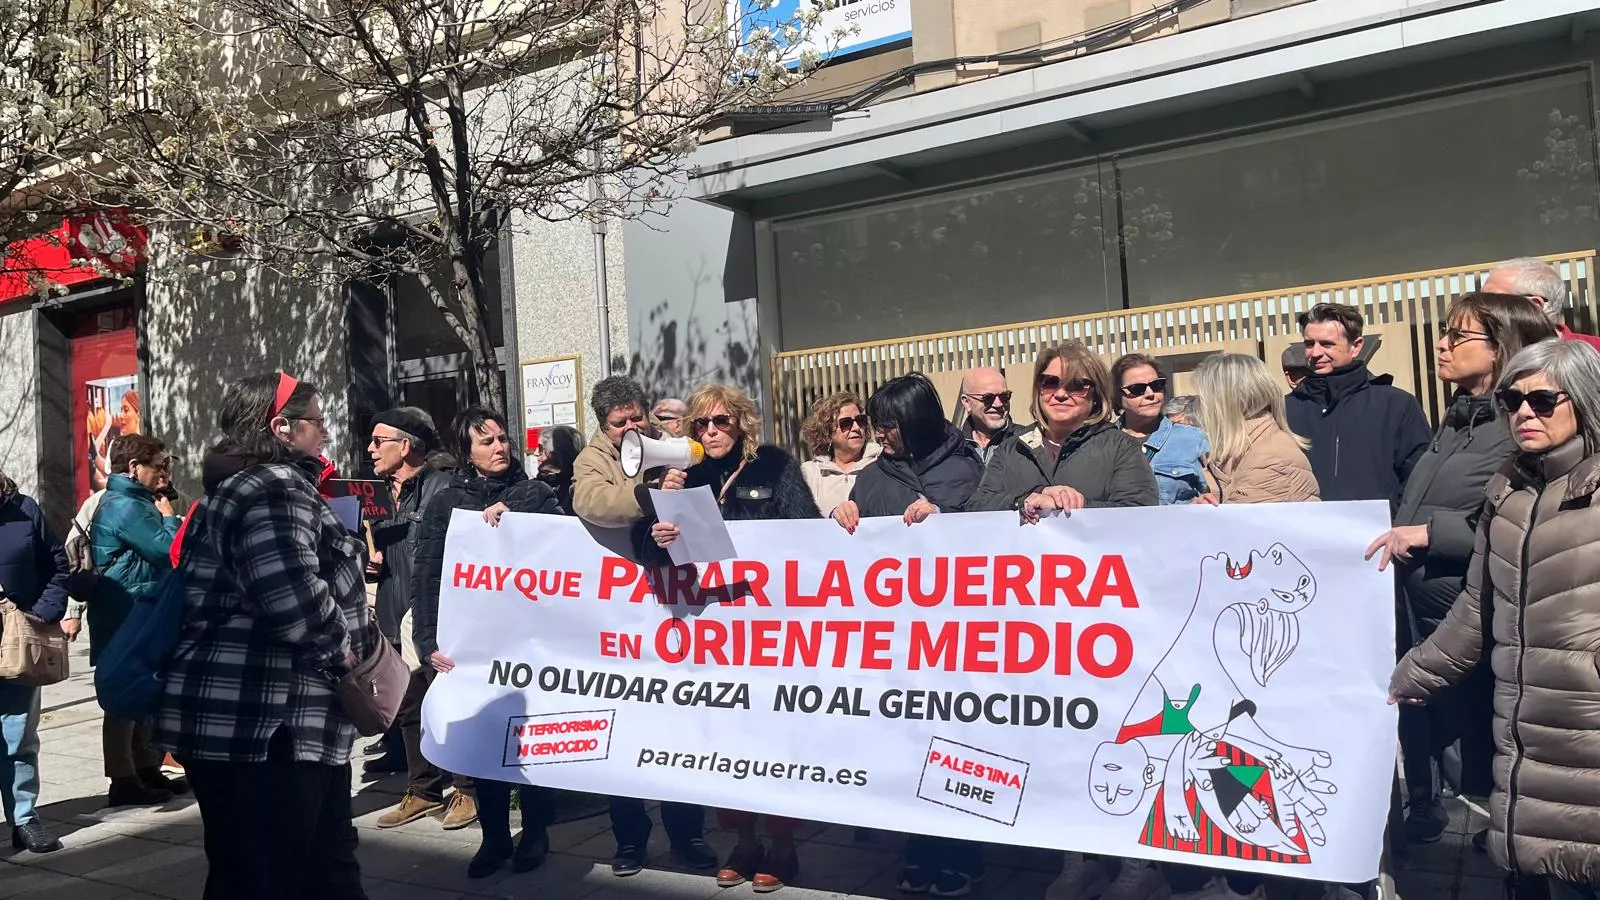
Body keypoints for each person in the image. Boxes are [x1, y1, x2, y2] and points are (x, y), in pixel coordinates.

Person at [151, 372, 377, 898]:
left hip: (267, 723)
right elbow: (292, 598)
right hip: (268, 725)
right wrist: (347, 660)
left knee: (312, 869)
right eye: (318, 422)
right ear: (282, 427)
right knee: (269, 877)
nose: (325, 433)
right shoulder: (272, 486)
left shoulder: (242, 486)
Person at [1391, 338, 1600, 900]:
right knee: (1542, 861)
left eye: (1543, 400)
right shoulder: (1508, 489)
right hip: (1525, 732)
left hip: (1588, 727)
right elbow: (1476, 608)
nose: (1524, 414)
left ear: (1583, 400)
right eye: (1512, 401)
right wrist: (1410, 675)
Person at [1364, 295, 1556, 845]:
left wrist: (1430, 534)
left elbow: (1532, 523)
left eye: (1457, 336)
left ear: (1502, 349)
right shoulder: (1456, 420)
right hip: (1429, 618)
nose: (1441, 346)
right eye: (1443, 334)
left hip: (1483, 626)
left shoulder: (1519, 428)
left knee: (1499, 755)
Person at [645, 384, 820, 892]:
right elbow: (650, 557)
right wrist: (659, 529)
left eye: (721, 421)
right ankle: (743, 839)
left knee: (774, 741)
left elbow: (806, 535)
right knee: (722, 741)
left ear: (740, 421)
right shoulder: (683, 476)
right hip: (710, 633)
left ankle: (783, 845)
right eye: (701, 425)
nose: (712, 432)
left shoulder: (774, 466)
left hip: (768, 633)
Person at [832, 373, 986, 896]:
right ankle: (918, 850)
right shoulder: (873, 478)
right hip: (900, 645)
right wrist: (843, 512)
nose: (880, 434)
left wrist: (949, 520)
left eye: (889, 424)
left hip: (960, 641)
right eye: (877, 425)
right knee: (911, 750)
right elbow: (855, 555)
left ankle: (962, 853)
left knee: (959, 747)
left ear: (916, 421)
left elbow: (994, 531)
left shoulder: (966, 465)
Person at [408, 406, 564, 879]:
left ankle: (535, 831)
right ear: (466, 452)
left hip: (528, 643)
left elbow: (562, 550)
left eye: (503, 439)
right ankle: (494, 837)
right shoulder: (445, 501)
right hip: (475, 647)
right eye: (487, 442)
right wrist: (427, 638)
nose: (499, 448)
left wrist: (515, 520)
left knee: (529, 742)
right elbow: (429, 571)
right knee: (484, 743)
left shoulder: (535, 493)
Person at [570, 376, 716, 877]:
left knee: (679, 724)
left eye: (637, 417)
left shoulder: (666, 440)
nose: (632, 428)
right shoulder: (592, 459)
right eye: (620, 424)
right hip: (627, 607)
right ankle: (630, 839)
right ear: (602, 424)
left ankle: (687, 832)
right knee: (626, 728)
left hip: (675, 593)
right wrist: (647, 493)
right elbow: (592, 502)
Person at [89, 433, 185, 807]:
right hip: (124, 610)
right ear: (133, 468)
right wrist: (171, 520)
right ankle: (123, 777)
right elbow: (165, 550)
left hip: (137, 607)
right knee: (122, 699)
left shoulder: (134, 501)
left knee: (145, 690)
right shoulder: (125, 506)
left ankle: (146, 767)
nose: (165, 473)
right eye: (159, 466)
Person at [363, 408, 453, 786]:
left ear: (405, 446)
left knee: (442, 703)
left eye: (378, 441)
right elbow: (371, 548)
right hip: (391, 613)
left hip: (430, 616)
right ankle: (422, 788)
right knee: (406, 706)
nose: (370, 449)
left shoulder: (441, 489)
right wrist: (367, 561)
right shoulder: (375, 494)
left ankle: (464, 789)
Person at [969, 340, 1158, 514]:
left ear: (1096, 395)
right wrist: (1026, 499)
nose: (1060, 394)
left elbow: (1140, 513)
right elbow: (977, 506)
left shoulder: (1121, 448)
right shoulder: (1011, 449)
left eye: (1076, 385)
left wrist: (1075, 505)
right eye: (1050, 383)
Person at [1285, 303, 1430, 507]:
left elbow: (1419, 482)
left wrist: (1395, 526)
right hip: (1300, 536)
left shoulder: (1397, 406)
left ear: (1356, 346)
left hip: (1380, 535)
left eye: (1326, 344)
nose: (1315, 353)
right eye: (1309, 344)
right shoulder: (1284, 409)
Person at [0, 468, 69, 854]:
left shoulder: (25, 510)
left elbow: (57, 566)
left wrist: (44, 612)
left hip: (16, 642)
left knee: (18, 736)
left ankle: (24, 819)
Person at [1191, 354, 1319, 505]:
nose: (1199, 406)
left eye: (1204, 398)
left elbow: (1233, 526)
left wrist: (1200, 516)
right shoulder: (1248, 449)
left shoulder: (1268, 460)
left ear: (1225, 402)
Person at [1112, 354, 1207, 505]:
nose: (1150, 394)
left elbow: (1215, 495)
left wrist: (1197, 506)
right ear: (1118, 397)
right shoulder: (1102, 443)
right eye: (1137, 389)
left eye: (1157, 385)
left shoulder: (1194, 440)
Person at [1482, 256, 1600, 351]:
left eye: (1491, 300)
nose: (1479, 308)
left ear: (1534, 306)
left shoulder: (1595, 352)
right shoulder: (1484, 357)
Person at [799, 391, 880, 519]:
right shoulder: (809, 474)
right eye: (846, 423)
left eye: (860, 420)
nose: (856, 427)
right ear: (827, 433)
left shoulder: (881, 464)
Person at [958, 366, 1017, 465]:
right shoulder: (953, 447)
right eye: (988, 398)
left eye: (1004, 397)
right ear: (967, 402)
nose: (998, 404)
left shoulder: (1025, 443)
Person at [534, 425, 586, 515]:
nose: (535, 453)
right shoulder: (532, 486)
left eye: (541, 448)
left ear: (558, 453)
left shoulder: (581, 488)